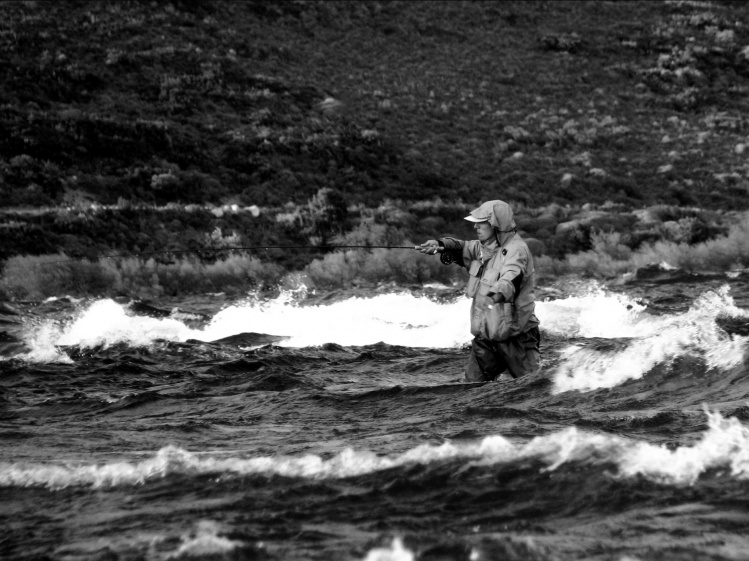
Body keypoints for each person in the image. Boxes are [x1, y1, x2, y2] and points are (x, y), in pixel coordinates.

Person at [417, 200, 540, 382]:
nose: (475, 226)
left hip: (517, 340)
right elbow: (462, 247)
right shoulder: (483, 248)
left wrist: (492, 297)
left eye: (481, 222)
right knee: (470, 392)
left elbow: (511, 280)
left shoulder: (517, 251)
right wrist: (438, 244)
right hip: (486, 339)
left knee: (534, 391)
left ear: (495, 225)